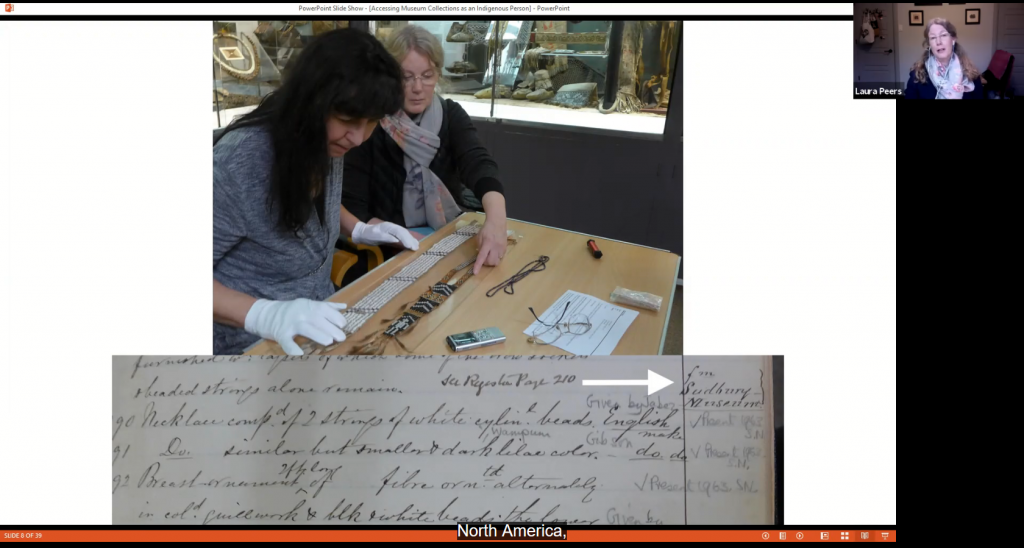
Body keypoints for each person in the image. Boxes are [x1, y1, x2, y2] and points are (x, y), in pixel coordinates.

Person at [213, 29, 422, 356]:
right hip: (250, 345)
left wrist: (359, 228)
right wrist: (265, 315)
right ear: (310, 102)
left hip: (320, 323)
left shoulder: (324, 140)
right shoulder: (239, 162)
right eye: (347, 119)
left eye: (371, 122)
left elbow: (310, 200)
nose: (357, 138)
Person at [343, 24, 508, 275]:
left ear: (438, 74)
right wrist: (416, 243)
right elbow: (356, 211)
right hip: (388, 250)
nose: (418, 87)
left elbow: (478, 162)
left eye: (427, 75)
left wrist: (496, 219)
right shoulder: (370, 124)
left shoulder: (450, 115)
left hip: (443, 236)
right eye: (406, 77)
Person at [905, 18, 984, 99]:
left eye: (943, 35)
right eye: (933, 38)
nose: (938, 42)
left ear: (953, 39)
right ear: (929, 44)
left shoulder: (971, 74)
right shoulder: (917, 74)